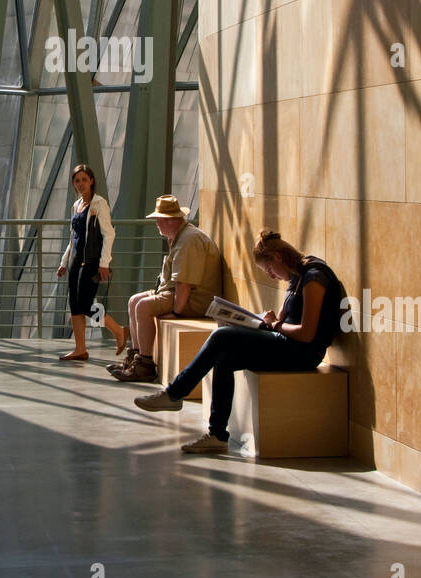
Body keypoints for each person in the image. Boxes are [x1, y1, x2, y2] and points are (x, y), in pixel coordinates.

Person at [133, 227, 346, 453]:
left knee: (221, 336)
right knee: (224, 358)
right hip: (287, 343)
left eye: (269, 270)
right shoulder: (297, 275)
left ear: (277, 257)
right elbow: (282, 318)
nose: (272, 276)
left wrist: (274, 325)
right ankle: (217, 435)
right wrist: (262, 321)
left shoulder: (313, 278)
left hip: (304, 353)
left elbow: (307, 333)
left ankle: (175, 393)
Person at [110, 195, 221, 384]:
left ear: (172, 220)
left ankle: (145, 365)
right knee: (134, 301)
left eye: (159, 219)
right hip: (179, 293)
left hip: (195, 299)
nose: (157, 224)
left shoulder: (188, 240)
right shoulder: (181, 236)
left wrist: (177, 313)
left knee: (143, 306)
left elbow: (184, 283)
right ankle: (136, 357)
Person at [55, 164, 126, 362]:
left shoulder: (99, 204)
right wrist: (64, 261)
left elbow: (108, 234)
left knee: (85, 305)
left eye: (84, 180)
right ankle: (80, 349)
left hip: (92, 262)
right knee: (75, 305)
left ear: (91, 181)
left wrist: (104, 263)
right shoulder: (76, 205)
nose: (81, 184)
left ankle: (118, 330)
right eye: (77, 180)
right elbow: (73, 238)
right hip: (76, 261)